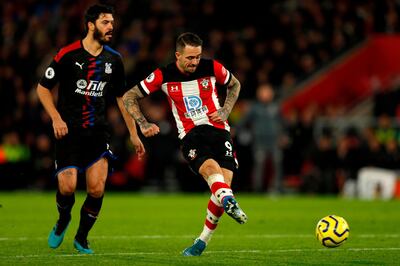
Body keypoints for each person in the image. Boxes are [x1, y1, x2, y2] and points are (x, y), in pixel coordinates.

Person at [123, 32, 248, 256]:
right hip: (191, 134)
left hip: (220, 131)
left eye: (198, 57)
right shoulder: (163, 74)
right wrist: (142, 123)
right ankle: (229, 201)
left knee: (221, 186)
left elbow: (235, 84)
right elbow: (129, 96)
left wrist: (226, 110)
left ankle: (202, 241)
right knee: (212, 172)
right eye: (190, 58)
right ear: (178, 55)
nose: (195, 62)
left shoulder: (212, 67)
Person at [36, 4, 145, 254]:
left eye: (112, 23)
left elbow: (121, 98)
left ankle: (81, 237)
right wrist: (55, 118)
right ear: (90, 25)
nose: (111, 27)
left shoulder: (114, 59)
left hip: (97, 132)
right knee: (68, 187)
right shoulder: (68, 54)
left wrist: (133, 132)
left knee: (96, 188)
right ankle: (63, 219)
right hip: (69, 131)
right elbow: (42, 88)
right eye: (105, 22)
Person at [236, 83, 285, 193]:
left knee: (277, 163)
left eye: (267, 92)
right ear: (259, 94)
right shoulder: (255, 108)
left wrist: (284, 136)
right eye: (263, 92)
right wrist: (235, 128)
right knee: (259, 164)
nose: (266, 94)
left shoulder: (276, 107)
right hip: (259, 141)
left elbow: (282, 123)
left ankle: (278, 188)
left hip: (275, 141)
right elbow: (244, 120)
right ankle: (257, 189)